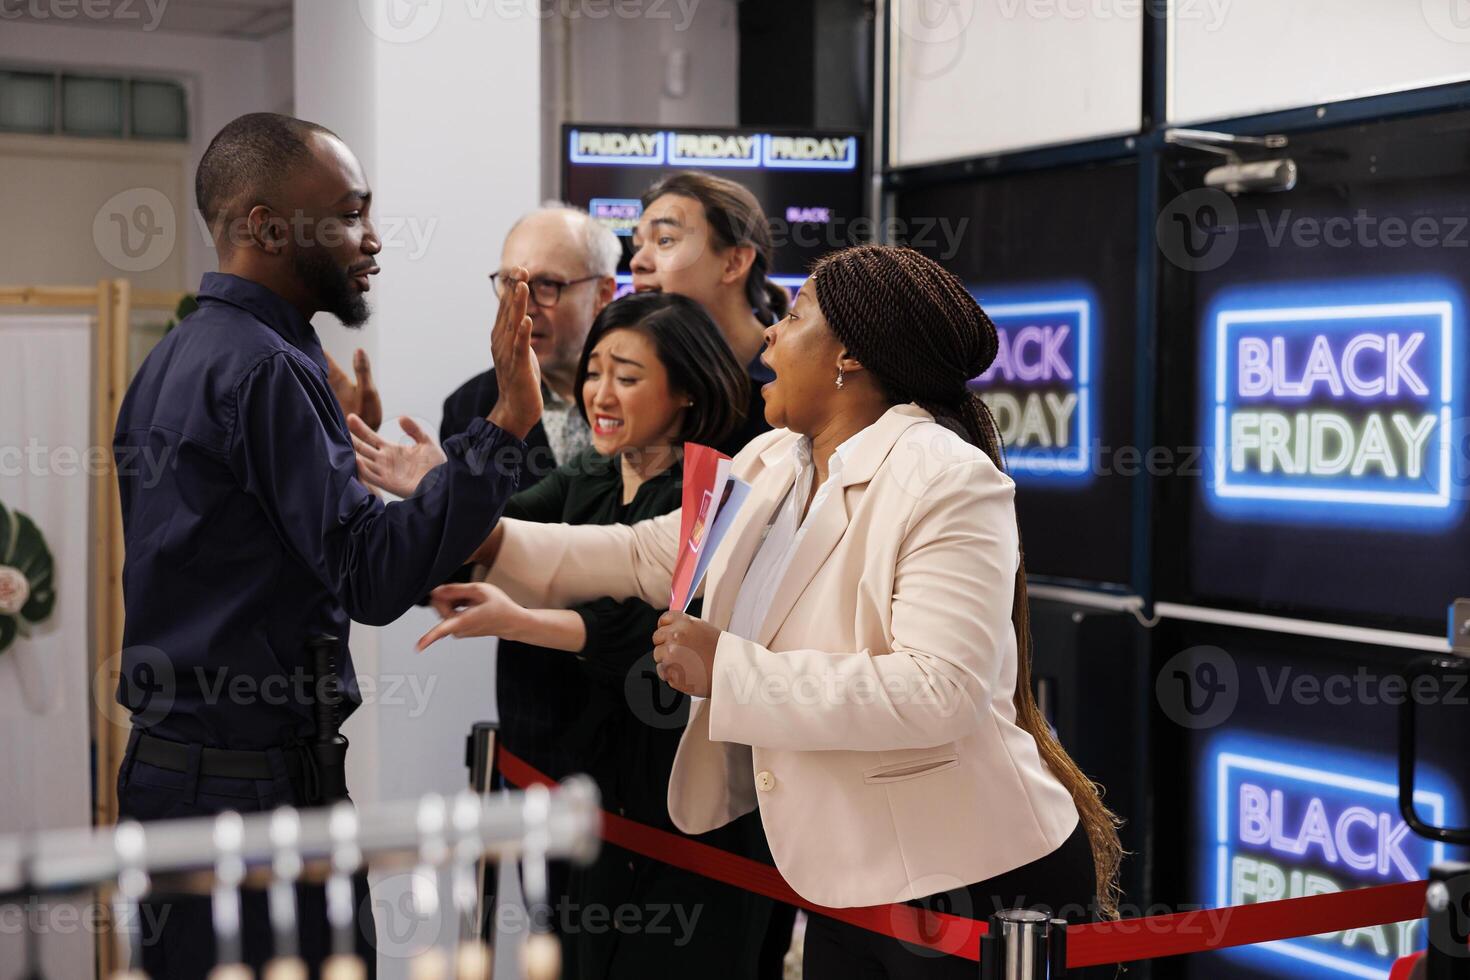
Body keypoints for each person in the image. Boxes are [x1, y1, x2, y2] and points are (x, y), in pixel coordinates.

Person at [455, 245, 1124, 978]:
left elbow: (941, 692)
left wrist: (728, 669)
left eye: (794, 316)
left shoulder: (946, 476)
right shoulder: (774, 459)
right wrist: (462, 531)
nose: (771, 334)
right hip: (852, 879)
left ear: (851, 359)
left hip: (971, 881)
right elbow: (647, 554)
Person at [111, 111, 542, 978]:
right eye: (349, 214)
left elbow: (249, 546)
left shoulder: (184, 353)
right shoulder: (264, 366)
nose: (372, 240)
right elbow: (370, 576)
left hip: (194, 785)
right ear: (268, 226)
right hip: (246, 796)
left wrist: (335, 453)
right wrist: (506, 424)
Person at [361, 292, 772, 978]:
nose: (600, 395)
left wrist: (518, 618)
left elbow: (645, 631)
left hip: (689, 809)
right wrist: (438, 492)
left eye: (628, 377)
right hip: (594, 801)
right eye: (594, 372)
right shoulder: (588, 474)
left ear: (688, 395)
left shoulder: (717, 492)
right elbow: (508, 535)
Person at [439, 204, 621, 474]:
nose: (524, 306)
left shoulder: (649, 395)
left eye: (547, 284)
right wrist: (442, 495)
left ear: (603, 294)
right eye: (510, 284)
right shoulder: (470, 406)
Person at [630, 171, 789, 456]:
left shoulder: (799, 385)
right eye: (638, 246)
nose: (637, 262)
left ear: (734, 262)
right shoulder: (637, 380)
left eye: (664, 240)